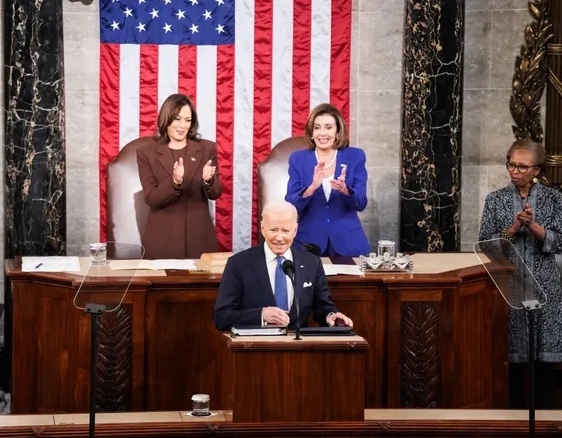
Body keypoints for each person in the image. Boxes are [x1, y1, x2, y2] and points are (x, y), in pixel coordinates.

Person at [478, 138, 562, 408]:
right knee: (513, 363)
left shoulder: (554, 199)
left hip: (546, 285)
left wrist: (535, 228)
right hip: (510, 288)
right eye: (511, 165)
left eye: (522, 166)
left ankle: (548, 421)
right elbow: (485, 245)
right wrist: (513, 228)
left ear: (537, 170)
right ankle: (512, 421)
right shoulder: (496, 200)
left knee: (544, 365)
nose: (514, 171)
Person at [214, 201, 353, 331]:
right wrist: (261, 315)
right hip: (255, 349)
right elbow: (222, 317)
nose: (279, 238)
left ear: (295, 230)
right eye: (273, 230)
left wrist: (331, 315)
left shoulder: (312, 263)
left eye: (285, 231)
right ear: (263, 228)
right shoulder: (239, 264)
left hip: (298, 349)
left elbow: (323, 306)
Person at [137, 94, 223, 259]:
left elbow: (216, 193)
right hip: (162, 240)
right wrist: (174, 182)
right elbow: (152, 198)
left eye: (187, 120)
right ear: (166, 119)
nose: (182, 126)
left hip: (199, 238)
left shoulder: (206, 148)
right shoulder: (146, 153)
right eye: (177, 119)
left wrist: (208, 180)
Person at [285, 103, 370, 257]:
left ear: (338, 132)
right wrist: (311, 188)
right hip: (308, 244)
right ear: (311, 133)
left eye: (328, 127)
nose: (322, 133)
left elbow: (361, 203)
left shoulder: (355, 157)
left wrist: (346, 191)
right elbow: (292, 205)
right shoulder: (298, 159)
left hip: (348, 242)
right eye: (317, 127)